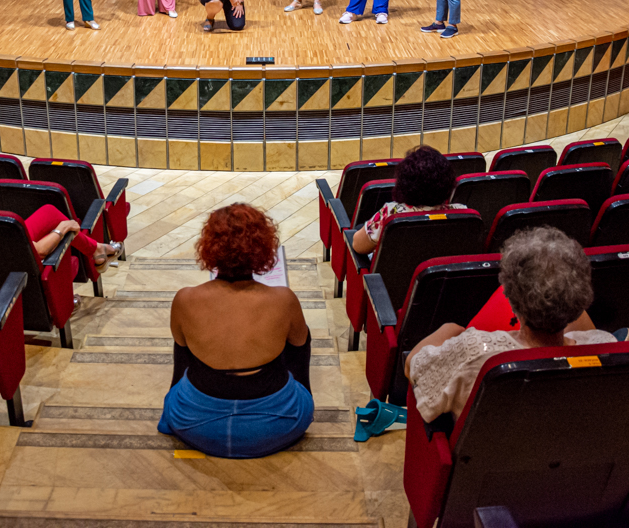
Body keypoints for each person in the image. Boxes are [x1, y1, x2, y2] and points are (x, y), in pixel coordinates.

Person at [404, 226, 617, 423]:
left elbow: (413, 367)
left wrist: (449, 329)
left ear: (511, 299)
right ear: (581, 296)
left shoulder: (475, 350)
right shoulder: (607, 348)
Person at [159, 203, 314, 458]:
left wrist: (172, 412)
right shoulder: (284, 299)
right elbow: (300, 352)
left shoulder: (184, 299)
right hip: (276, 427)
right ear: (264, 247)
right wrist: (303, 399)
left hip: (193, 425)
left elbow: (181, 363)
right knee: (297, 337)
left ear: (209, 246)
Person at [0, 160, 120, 271]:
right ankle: (96, 249)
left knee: (49, 212)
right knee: (62, 225)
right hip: (18, 270)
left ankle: (96, 249)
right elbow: (38, 251)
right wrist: (64, 228)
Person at [350, 145, 462, 255]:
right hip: (440, 272)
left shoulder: (391, 214)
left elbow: (358, 246)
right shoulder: (462, 213)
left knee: (358, 230)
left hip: (392, 273)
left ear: (404, 184)